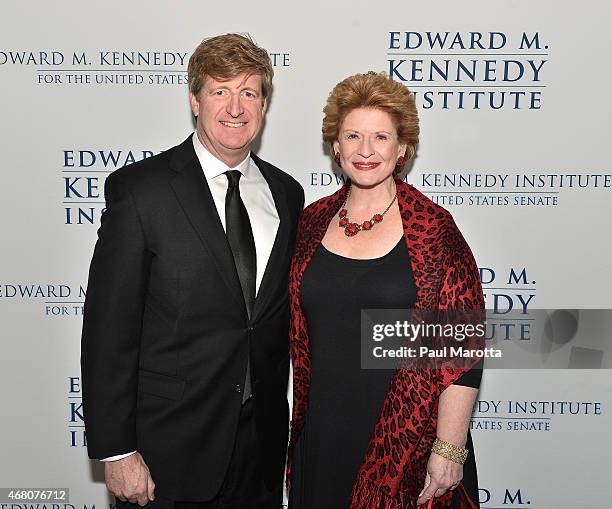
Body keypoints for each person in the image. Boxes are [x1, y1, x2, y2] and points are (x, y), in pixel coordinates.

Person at [80, 33, 304, 509]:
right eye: (219, 91)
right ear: (194, 101)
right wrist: (117, 450)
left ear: (264, 104)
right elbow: (108, 331)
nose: (235, 107)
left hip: (260, 452)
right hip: (166, 455)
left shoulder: (287, 194)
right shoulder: (142, 192)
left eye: (249, 92)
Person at [287, 72, 484, 509]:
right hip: (321, 434)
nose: (365, 150)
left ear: (402, 148)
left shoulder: (434, 231)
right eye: (352, 136)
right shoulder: (311, 222)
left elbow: (462, 348)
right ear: (335, 147)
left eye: (380, 137)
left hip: (409, 443)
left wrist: (448, 449)